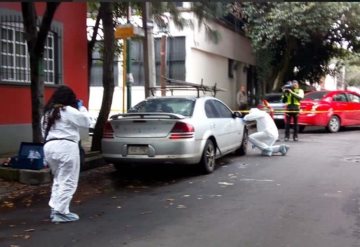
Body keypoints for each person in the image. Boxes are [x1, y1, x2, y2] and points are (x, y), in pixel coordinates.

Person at [41, 85, 91, 223]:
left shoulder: (47, 113)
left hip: (50, 147)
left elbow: (43, 131)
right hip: (66, 147)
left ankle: (55, 208)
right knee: (68, 180)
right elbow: (87, 122)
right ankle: (61, 212)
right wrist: (81, 108)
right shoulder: (67, 110)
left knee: (58, 179)